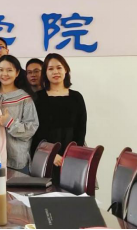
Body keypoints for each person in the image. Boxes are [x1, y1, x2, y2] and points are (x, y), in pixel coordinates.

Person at [33, 54, 87, 184]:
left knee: (71, 192)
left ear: (66, 70)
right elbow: (35, 131)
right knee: (47, 192)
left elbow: (81, 129)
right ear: (45, 73)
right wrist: (50, 155)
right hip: (46, 156)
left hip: (71, 157)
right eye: (50, 69)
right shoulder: (38, 97)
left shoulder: (76, 97)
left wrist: (71, 156)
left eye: (59, 67)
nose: (55, 72)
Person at [0, 55, 39, 174]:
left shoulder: (24, 98)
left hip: (17, 160)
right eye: (1, 70)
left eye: (9, 70)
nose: (4, 74)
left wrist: (10, 123)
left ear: (17, 73)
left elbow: (31, 128)